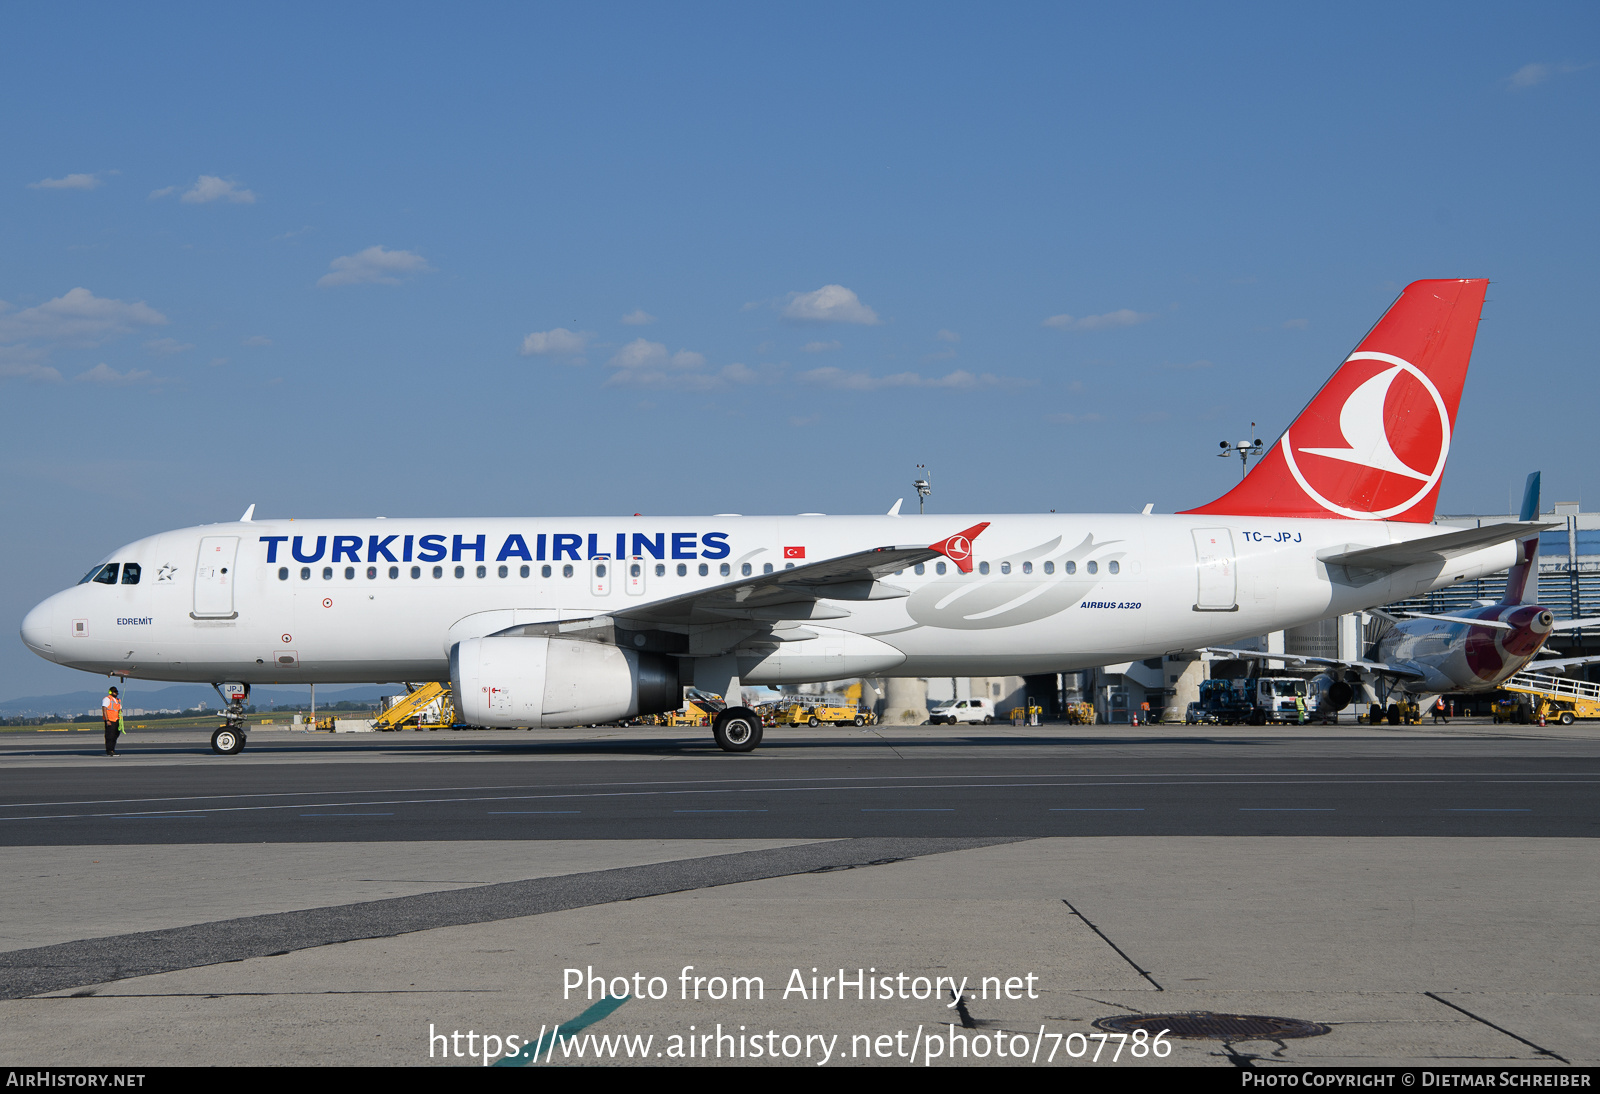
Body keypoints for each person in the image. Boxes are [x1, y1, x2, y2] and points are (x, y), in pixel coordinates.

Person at [101, 685, 122, 756]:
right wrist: (107, 720)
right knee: (110, 736)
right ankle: (109, 750)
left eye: (116, 692)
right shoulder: (107, 699)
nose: (116, 693)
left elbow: (119, 709)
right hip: (110, 720)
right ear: (111, 692)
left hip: (116, 720)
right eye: (114, 692)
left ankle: (112, 749)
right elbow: (104, 709)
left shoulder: (118, 700)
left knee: (115, 735)